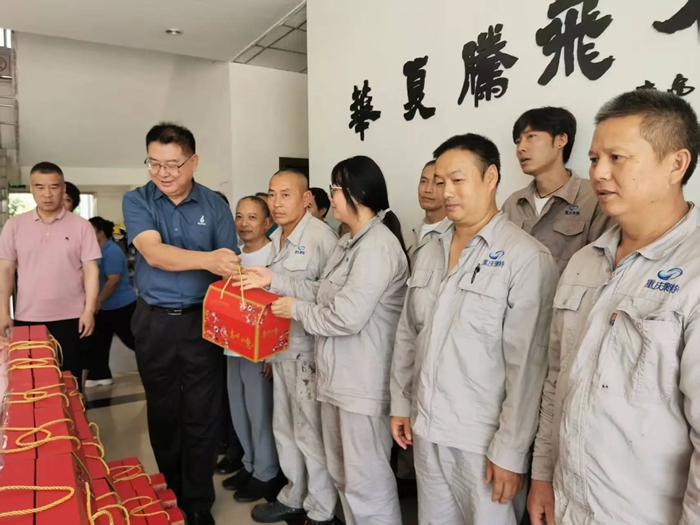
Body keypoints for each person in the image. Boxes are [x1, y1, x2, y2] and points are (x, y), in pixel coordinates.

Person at [528, 91, 700, 525]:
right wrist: (543, 476)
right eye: (594, 159)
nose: (599, 173)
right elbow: (557, 379)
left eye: (617, 158)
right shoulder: (585, 262)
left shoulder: (694, 272)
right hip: (569, 503)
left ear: (676, 164)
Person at [390, 134, 559, 525]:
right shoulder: (430, 247)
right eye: (439, 181)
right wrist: (401, 402)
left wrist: (511, 452)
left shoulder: (525, 257)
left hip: (482, 440)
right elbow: (408, 334)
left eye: (457, 180)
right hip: (427, 425)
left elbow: (528, 368)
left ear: (491, 178)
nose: (445, 192)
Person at [255, 156, 408, 525]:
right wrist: (274, 280)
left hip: (362, 382)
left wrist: (295, 310)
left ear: (359, 193)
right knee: (343, 475)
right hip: (336, 379)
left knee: (366, 481)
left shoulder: (377, 246)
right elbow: (321, 290)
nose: (331, 197)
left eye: (336, 189)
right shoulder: (348, 242)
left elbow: (346, 316)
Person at [122, 122, 240, 525]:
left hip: (202, 322)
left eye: (172, 164)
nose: (163, 173)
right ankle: (171, 492)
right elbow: (154, 254)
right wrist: (208, 259)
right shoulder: (137, 200)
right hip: (153, 322)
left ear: (193, 161)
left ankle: (199, 502)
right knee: (164, 413)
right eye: (154, 163)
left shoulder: (214, 206)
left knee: (202, 414)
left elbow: (229, 265)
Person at [241, 171, 338, 524]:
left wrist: (275, 279)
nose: (277, 203)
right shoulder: (278, 237)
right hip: (282, 348)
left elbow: (330, 295)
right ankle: (294, 495)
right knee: (285, 429)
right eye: (272, 195)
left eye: (286, 194)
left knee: (310, 433)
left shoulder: (320, 237)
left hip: (308, 351)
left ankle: (322, 509)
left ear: (306, 198)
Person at [0, 162, 100, 384]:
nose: (47, 194)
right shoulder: (14, 226)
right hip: (28, 318)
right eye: (40, 187)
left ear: (63, 189)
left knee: (71, 382)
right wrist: (3, 311)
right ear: (31, 189)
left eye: (54, 187)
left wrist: (89, 310)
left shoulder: (81, 226)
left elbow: (91, 270)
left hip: (72, 318)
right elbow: (5, 269)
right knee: (32, 383)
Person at [502, 106, 613, 274]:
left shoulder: (594, 197)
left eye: (531, 137)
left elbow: (603, 264)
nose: (520, 148)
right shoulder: (513, 203)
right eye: (518, 141)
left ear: (561, 140)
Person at [222, 195, 282, 503]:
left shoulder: (275, 256)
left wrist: (273, 354)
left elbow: (277, 308)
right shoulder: (232, 257)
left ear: (267, 222)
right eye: (239, 216)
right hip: (232, 347)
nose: (244, 224)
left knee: (261, 414)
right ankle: (249, 464)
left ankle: (266, 473)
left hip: (261, 351)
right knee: (239, 411)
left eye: (252, 217)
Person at [85, 216, 137, 387]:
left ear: (101, 233)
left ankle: (158, 366)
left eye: (91, 230)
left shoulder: (111, 250)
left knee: (132, 339)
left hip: (121, 305)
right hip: (103, 306)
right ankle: (99, 375)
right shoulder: (94, 250)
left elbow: (113, 280)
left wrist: (98, 300)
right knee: (98, 340)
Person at [407, 160, 450, 264]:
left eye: (437, 183)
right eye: (423, 182)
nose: (428, 189)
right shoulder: (412, 234)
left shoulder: (453, 235)